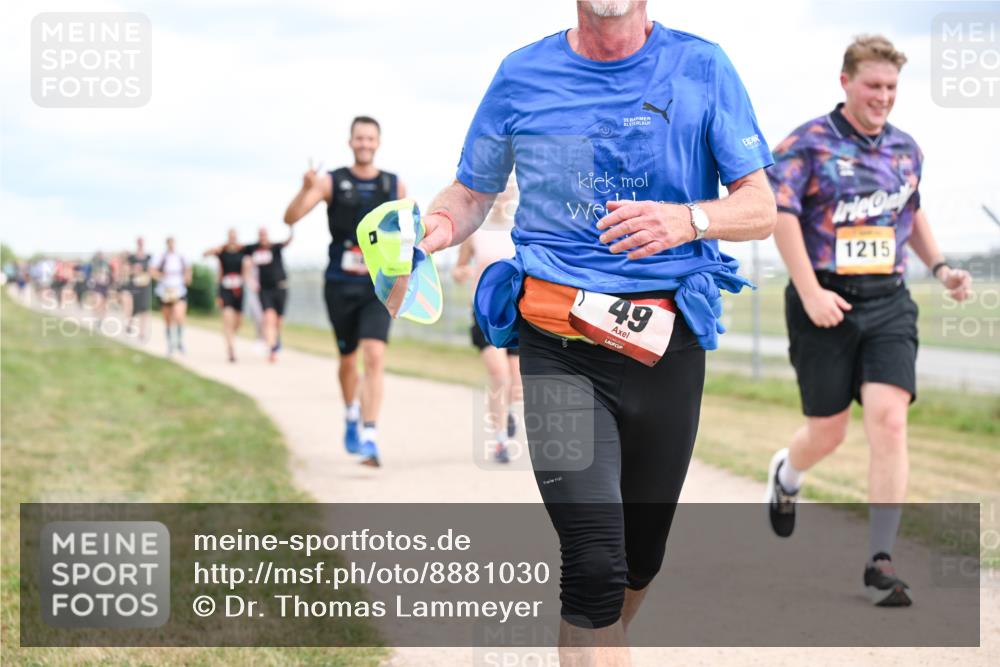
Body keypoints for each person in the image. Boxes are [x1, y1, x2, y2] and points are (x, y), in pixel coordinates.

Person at [417, 2, 776, 663]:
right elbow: (471, 192)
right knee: (593, 559)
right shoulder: (521, 75)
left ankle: (595, 638)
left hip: (666, 344)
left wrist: (688, 219)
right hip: (558, 344)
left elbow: (761, 207)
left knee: (639, 558)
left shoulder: (703, 66)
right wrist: (433, 229)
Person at [764, 34, 973, 608]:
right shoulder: (805, 143)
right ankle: (787, 474)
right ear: (846, 82)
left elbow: (913, 212)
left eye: (891, 87)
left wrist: (943, 266)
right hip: (824, 300)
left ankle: (881, 560)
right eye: (873, 85)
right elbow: (781, 217)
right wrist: (809, 293)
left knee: (889, 420)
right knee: (827, 431)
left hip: (889, 301)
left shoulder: (906, 149)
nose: (883, 97)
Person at [283, 116, 409, 467]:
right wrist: (304, 188)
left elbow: (407, 237)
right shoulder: (331, 182)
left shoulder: (394, 185)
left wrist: (404, 281)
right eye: (359, 138)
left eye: (370, 138)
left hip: (377, 285)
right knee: (347, 359)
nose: (365, 143)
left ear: (378, 142)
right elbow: (290, 218)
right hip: (340, 283)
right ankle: (351, 411)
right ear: (350, 142)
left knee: (375, 355)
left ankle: (370, 435)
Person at [452, 175, 522, 464]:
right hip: (484, 312)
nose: (505, 192)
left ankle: (505, 413)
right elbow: (458, 269)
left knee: (517, 383)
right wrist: (462, 274)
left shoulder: (523, 227)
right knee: (499, 374)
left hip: (518, 312)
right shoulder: (475, 228)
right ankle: (500, 441)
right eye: (500, 185)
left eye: (511, 186)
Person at [243, 226, 292, 363]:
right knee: (269, 318)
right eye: (260, 234)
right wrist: (250, 280)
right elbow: (238, 251)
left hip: (281, 287)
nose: (262, 237)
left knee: (279, 321)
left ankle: (276, 338)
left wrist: (291, 228)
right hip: (264, 290)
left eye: (264, 234)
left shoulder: (275, 247)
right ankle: (272, 350)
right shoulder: (253, 248)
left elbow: (288, 242)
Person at [204, 229, 250, 362]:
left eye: (234, 237)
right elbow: (205, 254)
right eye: (231, 237)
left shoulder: (243, 251)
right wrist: (216, 248)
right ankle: (231, 350)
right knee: (227, 318)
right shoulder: (222, 252)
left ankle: (230, 336)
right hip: (225, 289)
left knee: (238, 322)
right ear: (228, 238)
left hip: (239, 290)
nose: (233, 239)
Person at [151, 237, 192, 356]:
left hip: (179, 291)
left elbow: (188, 270)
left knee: (179, 316)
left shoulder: (181, 256)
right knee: (168, 320)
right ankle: (170, 344)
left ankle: (179, 341)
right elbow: (152, 271)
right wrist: (161, 276)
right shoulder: (161, 257)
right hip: (165, 292)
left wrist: (187, 278)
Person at [124, 237, 153, 343]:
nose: (140, 244)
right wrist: (134, 269)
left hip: (145, 286)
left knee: (144, 309)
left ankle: (142, 333)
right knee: (133, 308)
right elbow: (126, 270)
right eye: (139, 242)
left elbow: (152, 270)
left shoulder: (149, 257)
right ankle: (129, 325)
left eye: (142, 242)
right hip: (134, 285)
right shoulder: (131, 257)